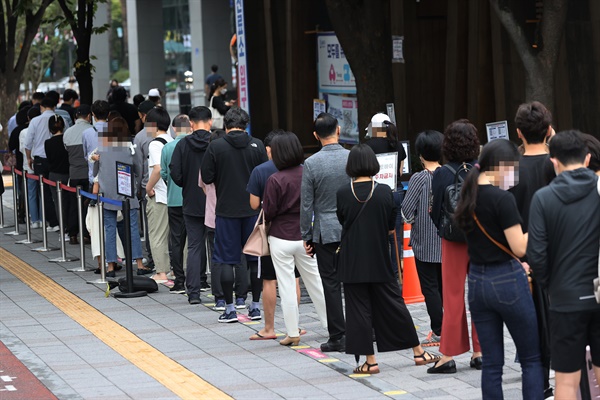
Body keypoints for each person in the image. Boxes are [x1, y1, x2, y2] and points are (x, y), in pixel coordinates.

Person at [337, 144, 441, 374]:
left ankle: (370, 361)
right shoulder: (384, 191)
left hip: (352, 260)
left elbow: (342, 219)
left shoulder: (344, 192)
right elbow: (389, 225)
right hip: (379, 258)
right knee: (394, 304)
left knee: (358, 309)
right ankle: (417, 351)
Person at [453, 139, 543, 399]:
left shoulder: (468, 195)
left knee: (492, 364)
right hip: (507, 281)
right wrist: (538, 227)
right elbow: (519, 248)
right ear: (500, 167)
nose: (514, 175)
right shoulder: (501, 199)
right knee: (531, 358)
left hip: (478, 282)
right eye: (512, 168)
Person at [528, 130, 600, 399]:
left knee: (567, 382)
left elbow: (536, 255)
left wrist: (552, 286)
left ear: (553, 161)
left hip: (564, 299)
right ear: (587, 158)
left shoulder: (543, 198)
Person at [200, 107, 267, 322]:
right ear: (245, 124)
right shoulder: (257, 145)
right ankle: (255, 306)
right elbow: (265, 176)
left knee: (227, 260)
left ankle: (229, 309)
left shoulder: (216, 146)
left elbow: (207, 177)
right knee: (255, 259)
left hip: (226, 211)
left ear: (226, 125)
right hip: (253, 211)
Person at [507, 101, 555, 398]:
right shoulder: (559, 165)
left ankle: (539, 383)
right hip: (558, 255)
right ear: (549, 130)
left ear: (518, 133)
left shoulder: (508, 170)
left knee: (531, 324)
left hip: (521, 258)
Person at [263, 132, 328, 345]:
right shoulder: (307, 173)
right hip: (305, 236)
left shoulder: (275, 179)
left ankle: (292, 333)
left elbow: (269, 211)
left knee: (287, 285)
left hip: (280, 237)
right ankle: (332, 326)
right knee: (316, 282)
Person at [428, 119, 481, 373]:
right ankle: (480, 352)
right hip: (481, 238)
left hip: (452, 239)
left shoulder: (441, 173)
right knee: (480, 294)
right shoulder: (482, 170)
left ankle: (448, 355)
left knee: (452, 295)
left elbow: (435, 209)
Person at [246, 130, 303, 338]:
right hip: (300, 232)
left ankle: (269, 328)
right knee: (295, 279)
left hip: (275, 234)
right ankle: (294, 325)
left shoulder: (261, 171)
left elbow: (255, 205)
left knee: (269, 279)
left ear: (270, 149)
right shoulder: (303, 170)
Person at [300, 112, 348, 352]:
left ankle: (338, 336)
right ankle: (363, 329)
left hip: (324, 232)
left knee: (330, 284)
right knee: (355, 281)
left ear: (316, 135)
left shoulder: (311, 164)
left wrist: (306, 236)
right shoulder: (352, 158)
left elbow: (306, 204)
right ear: (338, 130)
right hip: (351, 228)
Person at [401, 130, 444, 347]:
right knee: (446, 288)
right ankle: (450, 327)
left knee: (430, 288)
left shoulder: (419, 178)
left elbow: (406, 212)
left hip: (425, 244)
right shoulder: (448, 174)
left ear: (420, 154)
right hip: (448, 242)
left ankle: (438, 330)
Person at [94, 117, 147, 277]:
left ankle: (110, 266)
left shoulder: (102, 148)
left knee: (109, 229)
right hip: (127, 191)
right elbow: (138, 169)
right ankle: (139, 263)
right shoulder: (130, 147)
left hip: (108, 194)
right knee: (132, 228)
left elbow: (96, 170)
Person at [170, 107, 212, 301]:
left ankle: (193, 293)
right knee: (216, 245)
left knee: (194, 246)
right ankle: (219, 293)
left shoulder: (182, 145)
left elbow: (175, 174)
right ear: (210, 122)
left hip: (191, 201)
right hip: (214, 202)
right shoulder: (216, 143)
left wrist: (188, 184)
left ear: (191, 124)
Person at [144, 107, 173, 282]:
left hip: (160, 195)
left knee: (157, 235)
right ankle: (176, 270)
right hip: (174, 196)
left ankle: (162, 272)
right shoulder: (172, 141)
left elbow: (158, 169)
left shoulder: (155, 144)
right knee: (176, 237)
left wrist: (148, 188)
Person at [25, 96, 60, 231]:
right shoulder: (59, 119)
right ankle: (60, 219)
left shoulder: (35, 121)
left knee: (44, 191)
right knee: (58, 189)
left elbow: (28, 142)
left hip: (40, 159)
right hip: (57, 158)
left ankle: (53, 222)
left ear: (41, 107)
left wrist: (29, 158)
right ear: (54, 106)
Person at [62, 105, 93, 244]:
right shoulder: (92, 131)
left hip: (74, 173)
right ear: (88, 116)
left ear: (75, 117)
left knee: (74, 205)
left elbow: (66, 149)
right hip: (88, 172)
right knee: (88, 204)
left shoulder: (67, 132)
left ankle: (73, 234)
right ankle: (86, 234)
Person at [44, 115, 72, 242]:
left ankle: (63, 229)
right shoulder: (67, 140)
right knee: (69, 202)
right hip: (68, 174)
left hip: (54, 175)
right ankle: (72, 229)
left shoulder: (48, 143)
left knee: (58, 203)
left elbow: (49, 159)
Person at [19, 107, 42, 228]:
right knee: (42, 193)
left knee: (32, 194)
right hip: (41, 163)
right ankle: (43, 219)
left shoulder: (23, 132)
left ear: (28, 118)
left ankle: (34, 219)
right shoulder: (43, 129)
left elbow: (21, 149)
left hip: (28, 166)